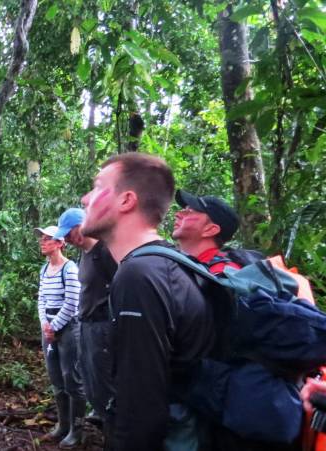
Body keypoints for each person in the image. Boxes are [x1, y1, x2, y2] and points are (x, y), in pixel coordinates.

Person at [80, 153, 216, 451]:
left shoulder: (139, 275)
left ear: (126, 201)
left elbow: (141, 405)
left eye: (98, 186)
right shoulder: (168, 263)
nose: (85, 198)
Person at [56, 208, 118, 439]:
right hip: (86, 326)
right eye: (68, 235)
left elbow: (119, 286)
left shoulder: (105, 251)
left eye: (73, 231)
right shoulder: (84, 254)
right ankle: (103, 426)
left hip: (103, 327)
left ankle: (114, 435)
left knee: (106, 386)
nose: (71, 238)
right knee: (89, 382)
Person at [34, 224, 85, 447]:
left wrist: (54, 327)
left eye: (48, 239)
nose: (42, 242)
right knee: (56, 378)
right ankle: (62, 426)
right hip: (49, 329)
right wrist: (45, 324)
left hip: (68, 329)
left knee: (72, 378)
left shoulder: (69, 268)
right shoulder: (44, 270)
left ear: (60, 243)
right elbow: (41, 299)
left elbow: (73, 302)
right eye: (42, 239)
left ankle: (77, 430)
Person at [172, 190, 241, 274]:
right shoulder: (183, 264)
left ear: (210, 230)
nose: (177, 214)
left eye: (189, 212)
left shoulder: (221, 275)